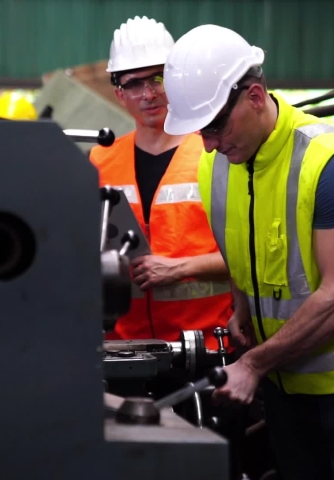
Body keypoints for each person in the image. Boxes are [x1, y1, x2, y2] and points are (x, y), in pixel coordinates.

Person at [162, 24, 334, 480]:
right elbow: (246, 252)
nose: (207, 144)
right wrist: (242, 307)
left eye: (215, 126)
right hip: (286, 383)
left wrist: (254, 363)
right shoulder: (216, 167)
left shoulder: (332, 164)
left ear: (256, 96)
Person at [88, 16, 233, 351]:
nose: (149, 94)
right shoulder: (100, 160)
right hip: (121, 349)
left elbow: (250, 257)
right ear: (119, 94)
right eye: (134, 84)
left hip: (206, 346)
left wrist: (180, 268)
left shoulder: (217, 153)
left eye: (158, 78)